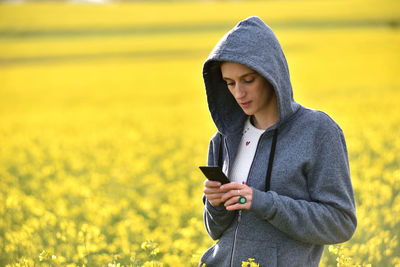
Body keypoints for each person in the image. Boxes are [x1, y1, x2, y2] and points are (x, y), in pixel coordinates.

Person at [199, 16, 357, 267]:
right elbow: (215, 231)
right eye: (230, 83)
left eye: (248, 80)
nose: (239, 93)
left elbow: (340, 223)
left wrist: (263, 202)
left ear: (271, 74)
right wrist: (216, 205)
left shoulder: (317, 131)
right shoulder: (222, 140)